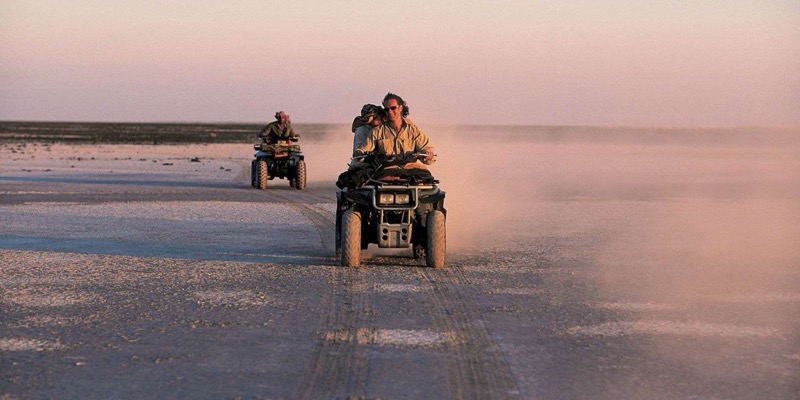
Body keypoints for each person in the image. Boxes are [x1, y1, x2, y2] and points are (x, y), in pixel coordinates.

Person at [355, 93, 435, 166]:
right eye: (387, 109)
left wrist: (427, 156)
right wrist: (359, 153)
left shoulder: (413, 130)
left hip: (411, 168)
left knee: (426, 175)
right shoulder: (377, 131)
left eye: (393, 108)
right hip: (386, 170)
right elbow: (363, 149)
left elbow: (426, 149)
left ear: (400, 108)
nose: (390, 111)